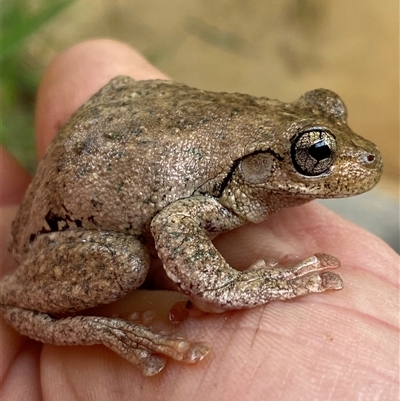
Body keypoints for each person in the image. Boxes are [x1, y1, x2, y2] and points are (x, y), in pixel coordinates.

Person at [1, 39, 398, 401]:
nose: (364, 159)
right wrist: (226, 285)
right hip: (61, 227)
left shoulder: (244, 164)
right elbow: (174, 223)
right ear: (260, 164)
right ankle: (30, 309)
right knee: (126, 263)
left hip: (108, 142)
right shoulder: (222, 190)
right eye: (316, 155)